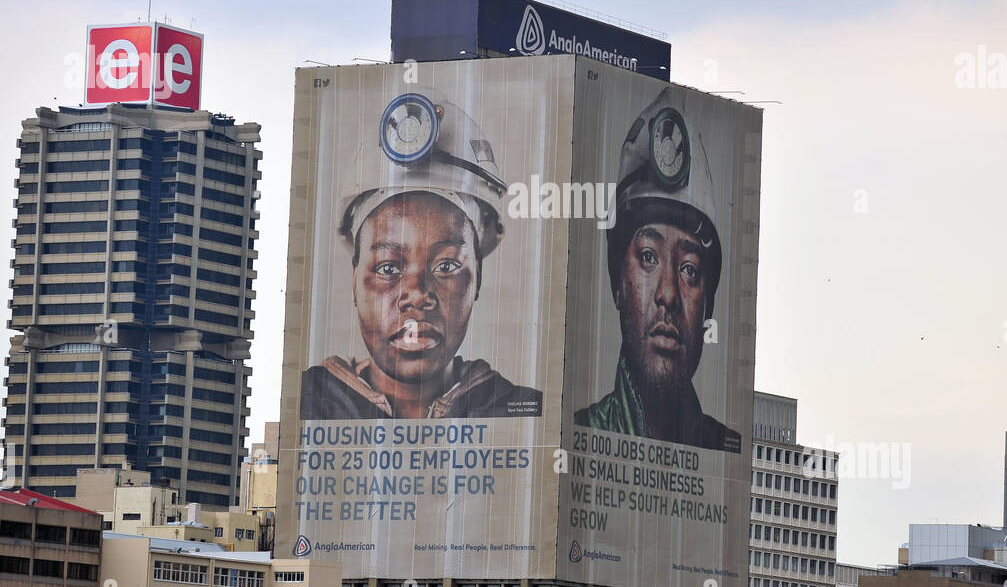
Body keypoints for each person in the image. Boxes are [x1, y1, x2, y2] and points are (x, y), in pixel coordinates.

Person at [300, 92, 542, 420]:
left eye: (446, 265)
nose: (417, 294)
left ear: (478, 279)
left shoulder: (521, 414)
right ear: (354, 281)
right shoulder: (309, 403)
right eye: (387, 267)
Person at [574, 87, 741, 452]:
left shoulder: (727, 453)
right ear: (617, 283)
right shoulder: (577, 436)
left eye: (690, 270)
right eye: (648, 256)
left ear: (708, 306)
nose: (668, 294)